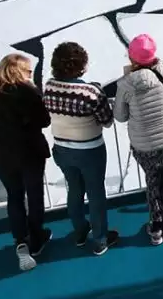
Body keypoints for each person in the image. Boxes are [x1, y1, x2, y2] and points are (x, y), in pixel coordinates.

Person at [0, 53, 52, 272]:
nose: (30, 75)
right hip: (29, 153)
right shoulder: (26, 91)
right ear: (19, 71)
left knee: (15, 197)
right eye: (28, 71)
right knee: (35, 196)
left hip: (2, 157)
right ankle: (37, 238)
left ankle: (21, 241)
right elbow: (44, 120)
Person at [43, 41, 119, 255]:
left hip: (62, 149)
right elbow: (107, 120)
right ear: (81, 65)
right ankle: (100, 239)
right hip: (89, 150)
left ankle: (79, 231)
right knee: (95, 194)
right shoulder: (90, 91)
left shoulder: (49, 86)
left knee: (74, 190)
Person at [115, 34, 163, 246]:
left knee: (152, 181)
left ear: (132, 58)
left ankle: (156, 226)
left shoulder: (125, 85)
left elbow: (120, 116)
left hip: (143, 145)